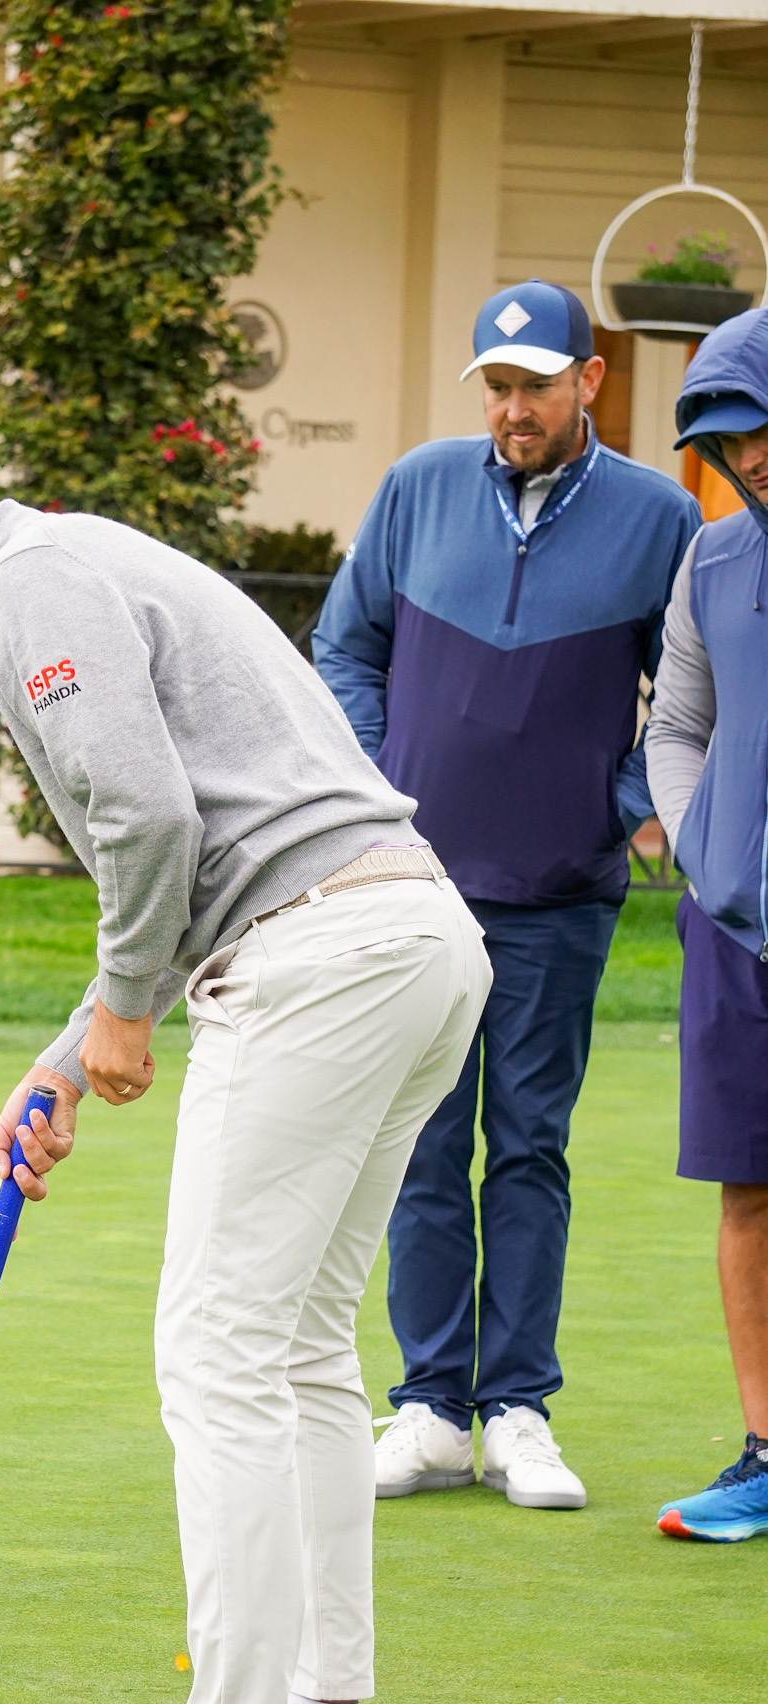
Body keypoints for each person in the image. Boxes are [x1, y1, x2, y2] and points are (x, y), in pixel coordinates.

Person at [0, 454, 491, 1704]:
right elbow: (186, 845)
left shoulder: (29, 578)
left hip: (315, 959)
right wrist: (69, 1056)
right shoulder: (83, 560)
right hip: (412, 938)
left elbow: (147, 820)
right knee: (297, 1347)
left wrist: (123, 1011)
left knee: (218, 1352)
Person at [314, 279, 701, 1511]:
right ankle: (429, 1404)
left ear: (591, 381)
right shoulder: (418, 486)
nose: (512, 408)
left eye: (536, 384)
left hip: (562, 889)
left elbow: (692, 687)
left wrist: (626, 793)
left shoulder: (657, 517)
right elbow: (346, 645)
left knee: (527, 1145)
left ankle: (517, 1406)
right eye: (496, 384)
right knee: (422, 1144)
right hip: (412, 885)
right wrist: (381, 779)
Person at [645, 308, 768, 1542]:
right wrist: (701, 842)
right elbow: (674, 724)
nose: (751, 453)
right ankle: (767, 1447)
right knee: (749, 1190)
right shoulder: (714, 562)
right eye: (730, 438)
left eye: (761, 424)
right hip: (736, 928)